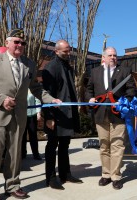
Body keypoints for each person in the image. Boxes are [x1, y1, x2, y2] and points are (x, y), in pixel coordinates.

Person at [0, 28, 61, 200]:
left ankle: (13, 185)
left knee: (15, 154)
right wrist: (2, 99)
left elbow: (36, 88)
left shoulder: (29, 64)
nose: (19, 45)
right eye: (16, 41)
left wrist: (50, 99)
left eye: (22, 43)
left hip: (19, 116)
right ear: (7, 43)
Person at [85, 47, 137, 190]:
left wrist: (125, 101)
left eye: (115, 55)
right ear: (104, 57)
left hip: (118, 114)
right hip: (100, 114)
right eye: (110, 55)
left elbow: (131, 90)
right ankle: (106, 174)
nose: (113, 57)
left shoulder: (125, 71)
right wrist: (89, 98)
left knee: (117, 146)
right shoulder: (95, 72)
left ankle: (116, 176)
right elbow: (89, 89)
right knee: (104, 146)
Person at [42, 39, 82, 190]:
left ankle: (65, 174)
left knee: (65, 145)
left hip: (67, 114)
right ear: (56, 51)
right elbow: (46, 94)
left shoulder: (68, 67)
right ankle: (51, 178)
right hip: (56, 115)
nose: (68, 53)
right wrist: (49, 117)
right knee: (52, 146)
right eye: (65, 51)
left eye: (69, 50)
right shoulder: (51, 68)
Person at [21, 89, 42, 160]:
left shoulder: (33, 88)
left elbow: (37, 100)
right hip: (22, 115)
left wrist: (38, 112)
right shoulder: (20, 88)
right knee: (22, 136)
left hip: (32, 115)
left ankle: (36, 154)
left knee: (33, 135)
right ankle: (23, 153)